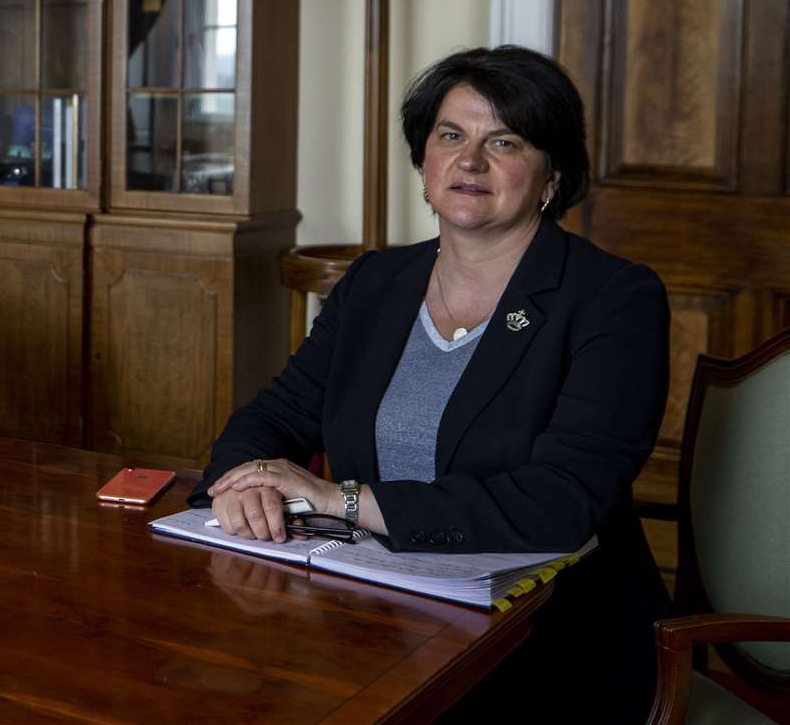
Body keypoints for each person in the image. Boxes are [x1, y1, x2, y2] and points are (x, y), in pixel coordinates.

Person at [193, 45, 669, 721]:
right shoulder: (375, 282)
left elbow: (559, 502)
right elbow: (276, 414)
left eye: (503, 141)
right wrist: (246, 486)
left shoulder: (612, 299)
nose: (468, 160)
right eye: (450, 135)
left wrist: (341, 499)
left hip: (547, 643)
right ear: (423, 164)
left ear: (550, 177)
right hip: (370, 615)